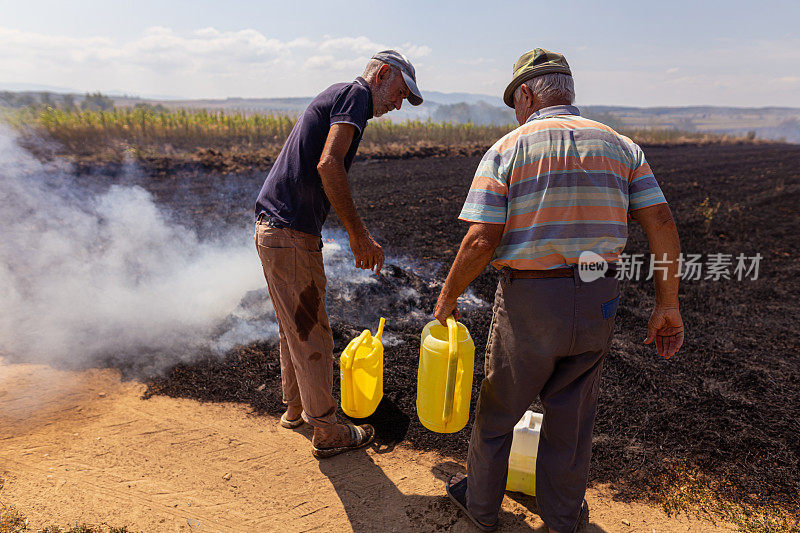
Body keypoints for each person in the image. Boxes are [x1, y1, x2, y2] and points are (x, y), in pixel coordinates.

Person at [433, 48, 684, 532]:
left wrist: (447, 298)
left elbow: (483, 238)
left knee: (498, 410)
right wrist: (667, 304)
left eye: (515, 101)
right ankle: (564, 518)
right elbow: (661, 221)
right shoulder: (622, 146)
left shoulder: (508, 149)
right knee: (571, 419)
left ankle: (482, 509)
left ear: (527, 93)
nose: (515, 111)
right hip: (598, 297)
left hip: (531, 301)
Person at [254, 50, 423, 458]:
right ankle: (327, 430)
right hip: (289, 231)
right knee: (313, 331)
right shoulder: (355, 95)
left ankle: (296, 409)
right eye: (400, 92)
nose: (398, 103)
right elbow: (329, 164)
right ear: (382, 74)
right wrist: (358, 235)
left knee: (293, 325)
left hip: (275, 228)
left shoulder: (341, 94)